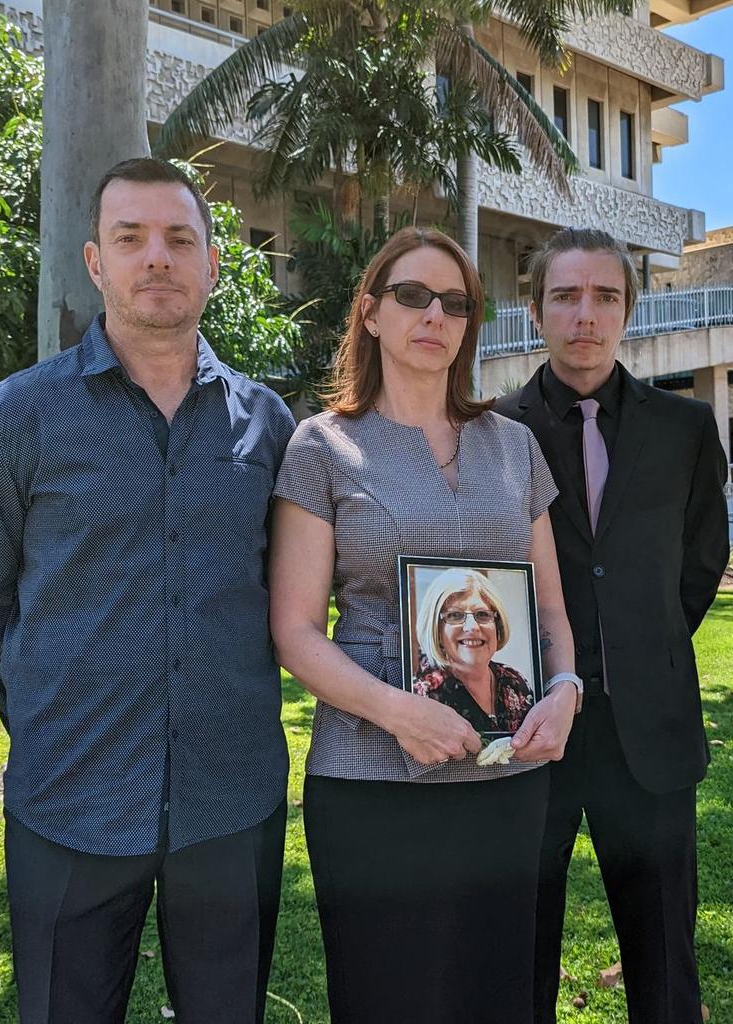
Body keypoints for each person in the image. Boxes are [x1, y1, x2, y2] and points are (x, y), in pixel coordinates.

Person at [0, 158, 294, 1024]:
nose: (157, 257)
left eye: (180, 239)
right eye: (131, 238)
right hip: (69, 798)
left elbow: (291, 594)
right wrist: (49, 707)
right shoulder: (16, 419)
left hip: (231, 797)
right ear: (95, 261)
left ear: (213, 264)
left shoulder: (270, 426)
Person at [268, 226, 582, 1024]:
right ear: (370, 312)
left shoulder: (514, 447)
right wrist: (398, 712)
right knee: (388, 996)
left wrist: (567, 687)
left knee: (497, 992)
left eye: (456, 303)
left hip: (507, 781)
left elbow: (549, 606)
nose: (434, 315)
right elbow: (296, 629)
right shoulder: (323, 446)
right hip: (373, 780)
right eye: (413, 295)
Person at [493, 227, 730, 1024]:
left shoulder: (686, 429)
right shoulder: (491, 430)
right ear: (535, 311)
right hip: (530, 732)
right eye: (565, 296)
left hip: (650, 732)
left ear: (630, 308)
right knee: (518, 957)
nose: (584, 315)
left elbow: (699, 564)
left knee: (665, 968)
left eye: (604, 297)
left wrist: (643, 647)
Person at [412, 566, 533, 733]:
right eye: (455, 615)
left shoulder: (514, 681)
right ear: (437, 631)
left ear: (497, 627)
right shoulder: (422, 693)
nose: (472, 627)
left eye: (482, 615)